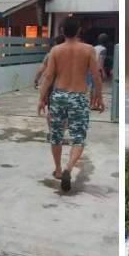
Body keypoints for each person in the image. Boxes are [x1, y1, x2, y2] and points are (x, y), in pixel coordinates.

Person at [38, 16, 104, 191]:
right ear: (79, 30)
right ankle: (69, 168)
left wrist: (41, 98)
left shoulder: (56, 51)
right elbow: (96, 75)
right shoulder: (88, 49)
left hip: (59, 95)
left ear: (62, 31)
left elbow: (48, 76)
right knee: (78, 137)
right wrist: (99, 96)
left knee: (56, 135)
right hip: (79, 96)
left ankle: (58, 170)